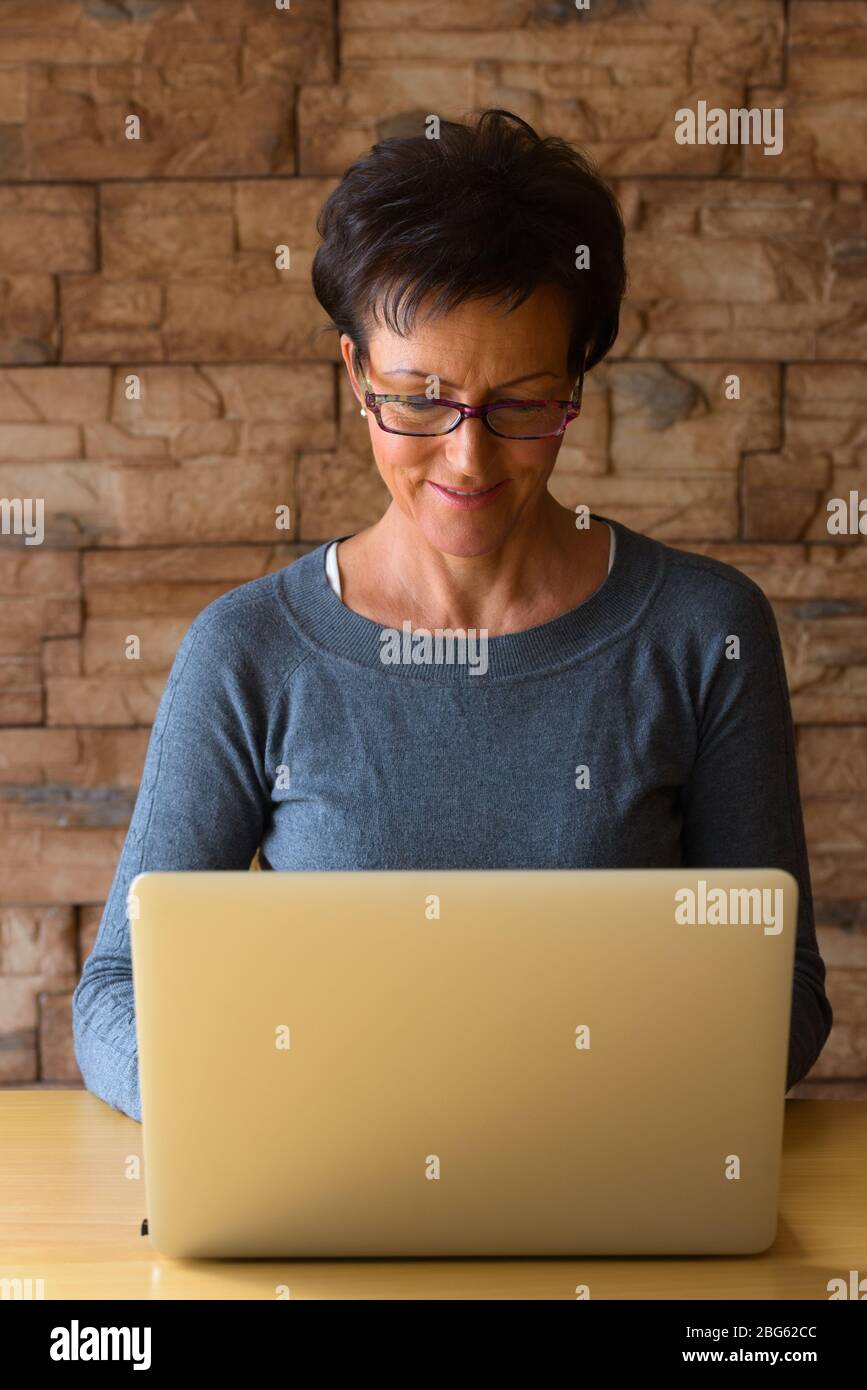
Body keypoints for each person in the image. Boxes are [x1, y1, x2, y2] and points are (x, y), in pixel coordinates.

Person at [72, 108, 832, 1122]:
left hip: (606, 1182)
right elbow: (114, 992)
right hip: (330, 1175)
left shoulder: (703, 633)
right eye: (419, 400)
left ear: (576, 382)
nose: (468, 459)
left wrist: (534, 1102)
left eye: (521, 404)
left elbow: (781, 994)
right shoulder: (250, 651)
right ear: (355, 373)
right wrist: (251, 1103)